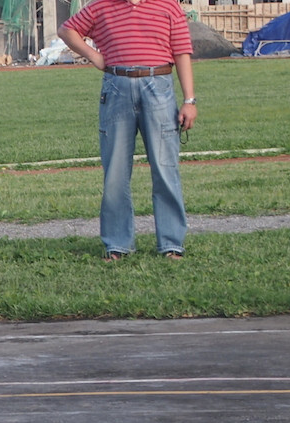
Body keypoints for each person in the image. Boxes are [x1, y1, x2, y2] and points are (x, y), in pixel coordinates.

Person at [57, 0, 197, 261]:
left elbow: (182, 52)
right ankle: (117, 244)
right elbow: (67, 30)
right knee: (116, 172)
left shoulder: (168, 6)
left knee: (165, 168)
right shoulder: (102, 6)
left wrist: (189, 100)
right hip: (117, 86)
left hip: (159, 86)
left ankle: (171, 243)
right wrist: (95, 56)